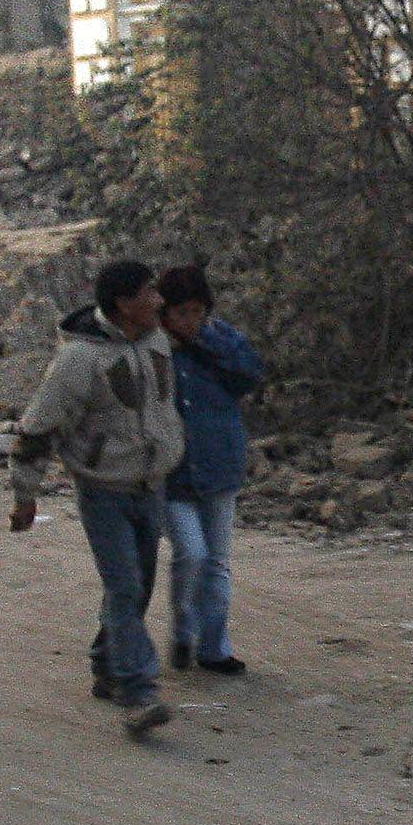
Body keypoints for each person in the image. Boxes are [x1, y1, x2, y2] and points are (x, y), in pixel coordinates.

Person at [11, 259, 184, 738]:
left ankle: (108, 663)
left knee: (137, 587)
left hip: (151, 485)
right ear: (125, 304)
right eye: (150, 293)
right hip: (104, 491)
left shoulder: (155, 340)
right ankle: (138, 694)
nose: (159, 301)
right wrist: (26, 496)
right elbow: (36, 430)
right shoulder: (77, 362)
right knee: (126, 587)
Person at [155, 265, 263, 675]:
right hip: (172, 472)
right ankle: (184, 628)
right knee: (191, 553)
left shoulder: (222, 340)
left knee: (217, 561)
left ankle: (214, 648)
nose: (190, 321)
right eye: (181, 313)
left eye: (197, 312)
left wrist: (209, 343)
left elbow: (250, 375)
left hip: (219, 464)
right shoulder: (152, 350)